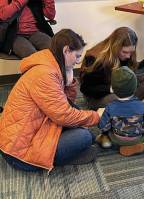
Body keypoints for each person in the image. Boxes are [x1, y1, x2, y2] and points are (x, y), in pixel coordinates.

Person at [0, 29, 102, 172]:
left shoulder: (50, 62)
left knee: (86, 130)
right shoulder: (44, 74)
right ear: (66, 50)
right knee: (84, 136)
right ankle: (64, 159)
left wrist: (70, 80)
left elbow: (66, 102)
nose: (79, 61)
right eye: (77, 56)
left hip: (33, 130)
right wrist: (96, 116)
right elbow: (64, 115)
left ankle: (68, 153)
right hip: (18, 153)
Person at [80, 26, 144, 111]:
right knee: (119, 98)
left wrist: (126, 85)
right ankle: (134, 104)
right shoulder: (96, 59)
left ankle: (131, 103)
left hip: (120, 87)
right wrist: (113, 89)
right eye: (125, 52)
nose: (128, 56)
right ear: (115, 47)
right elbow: (86, 89)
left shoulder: (127, 55)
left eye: (131, 52)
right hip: (98, 96)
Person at [96, 66, 144, 156]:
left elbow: (103, 126)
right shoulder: (141, 105)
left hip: (117, 140)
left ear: (112, 89)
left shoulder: (110, 107)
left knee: (105, 133)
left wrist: (99, 120)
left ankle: (108, 143)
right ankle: (142, 144)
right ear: (135, 87)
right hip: (138, 138)